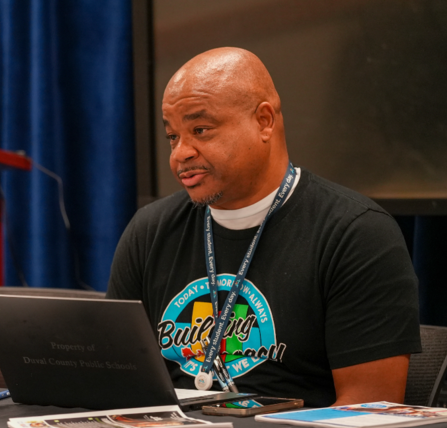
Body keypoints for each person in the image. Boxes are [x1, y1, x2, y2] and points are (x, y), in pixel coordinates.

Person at [107, 47, 421, 407]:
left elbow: (370, 409)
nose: (180, 154)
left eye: (200, 130)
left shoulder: (356, 234)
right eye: (173, 137)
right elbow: (115, 384)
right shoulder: (150, 231)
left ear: (264, 121)